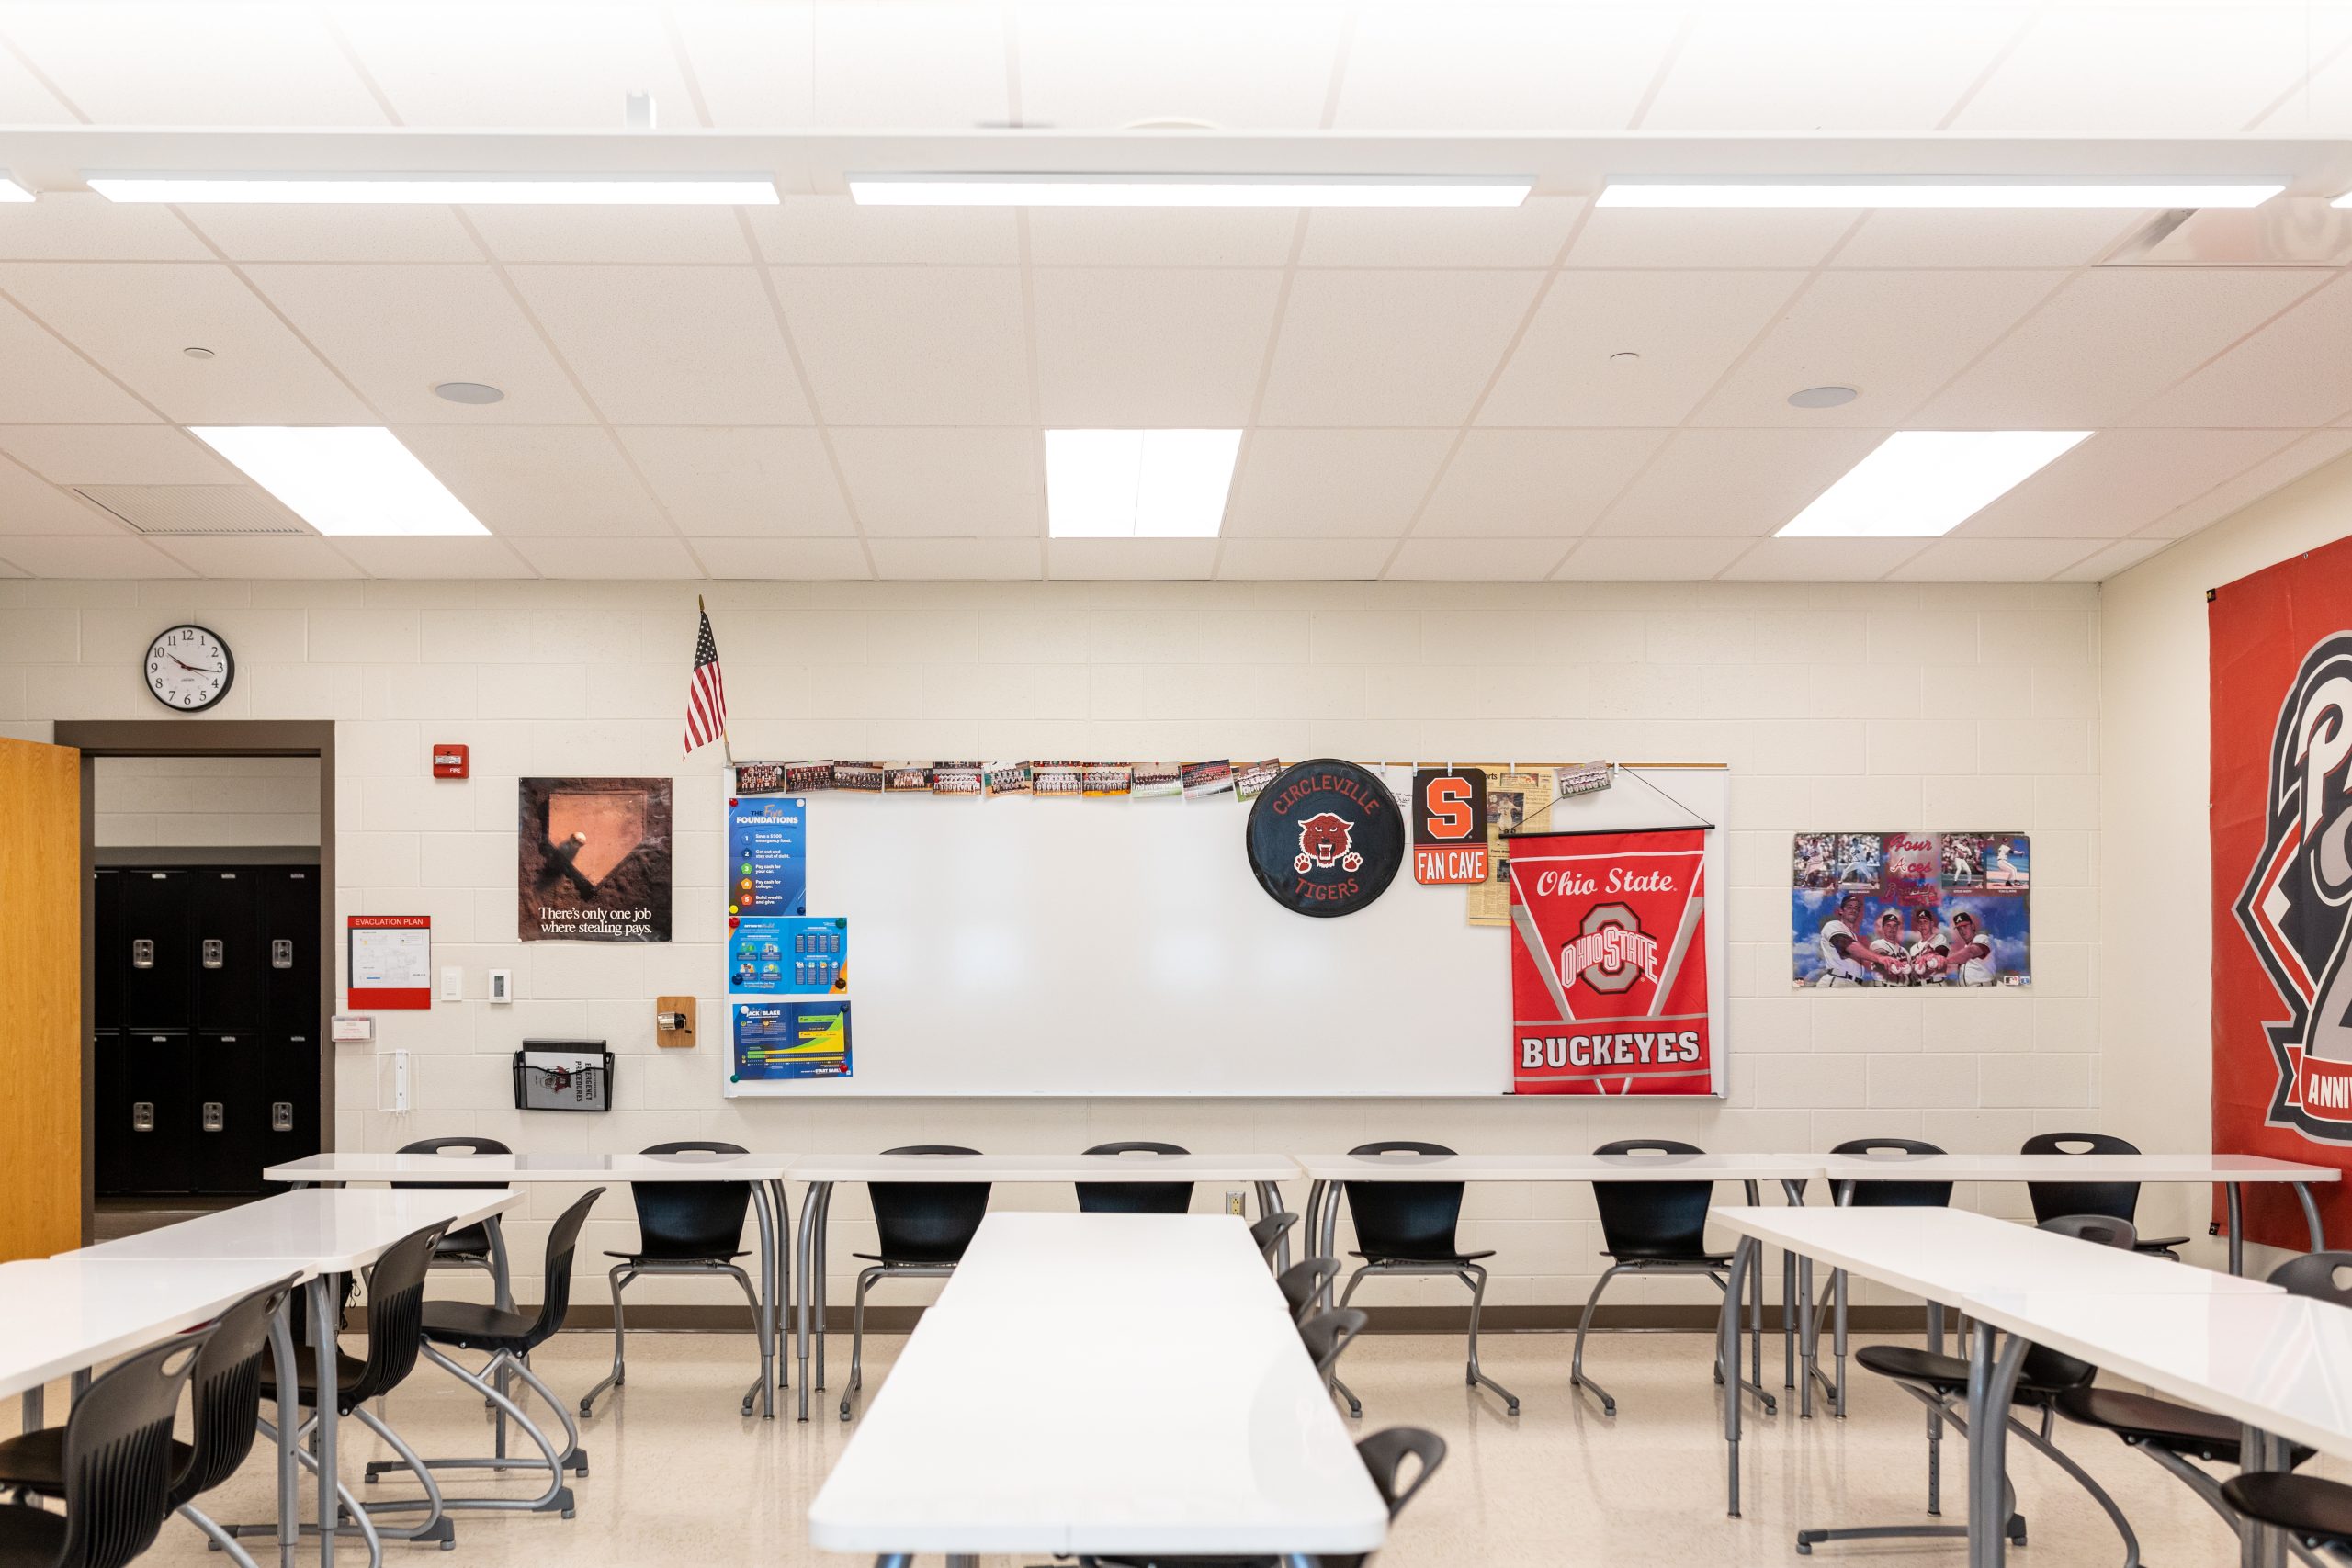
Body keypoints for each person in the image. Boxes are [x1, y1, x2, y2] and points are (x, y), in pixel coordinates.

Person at [1816, 893, 1902, 986]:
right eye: (1849, 907)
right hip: (1838, 980)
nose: (1853, 910)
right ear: (1841, 910)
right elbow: (1847, 944)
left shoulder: (1853, 935)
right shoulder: (1833, 925)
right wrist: (1880, 958)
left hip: (1853, 983)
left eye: (1856, 908)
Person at [1946, 908, 1996, 985]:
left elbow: (1971, 952)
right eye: (1959, 928)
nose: (1963, 931)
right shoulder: (1965, 948)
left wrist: (1945, 961)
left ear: (1972, 926)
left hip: (1982, 989)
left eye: (1965, 926)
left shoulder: (1983, 938)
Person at [1907, 907, 1949, 983]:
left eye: (1925, 921)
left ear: (1932, 924)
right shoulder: (1913, 949)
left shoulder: (1939, 938)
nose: (1922, 925)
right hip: (1918, 986)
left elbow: (1942, 951)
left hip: (1936, 984)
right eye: (1920, 922)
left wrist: (1926, 956)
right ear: (1917, 926)